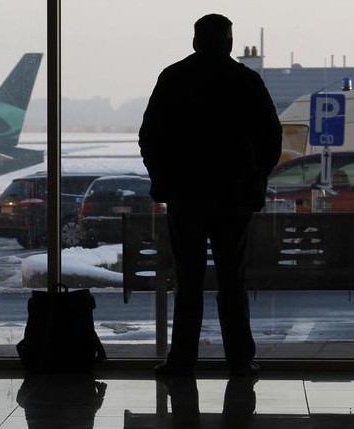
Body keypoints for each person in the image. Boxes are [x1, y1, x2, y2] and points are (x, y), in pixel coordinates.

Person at [138, 13, 282, 377]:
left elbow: (150, 137)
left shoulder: (173, 78)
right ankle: (239, 359)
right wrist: (254, 178)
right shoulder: (246, 81)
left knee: (188, 281)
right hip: (233, 197)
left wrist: (164, 179)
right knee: (232, 281)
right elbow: (270, 138)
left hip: (186, 196)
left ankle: (182, 359)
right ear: (229, 42)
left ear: (195, 41)